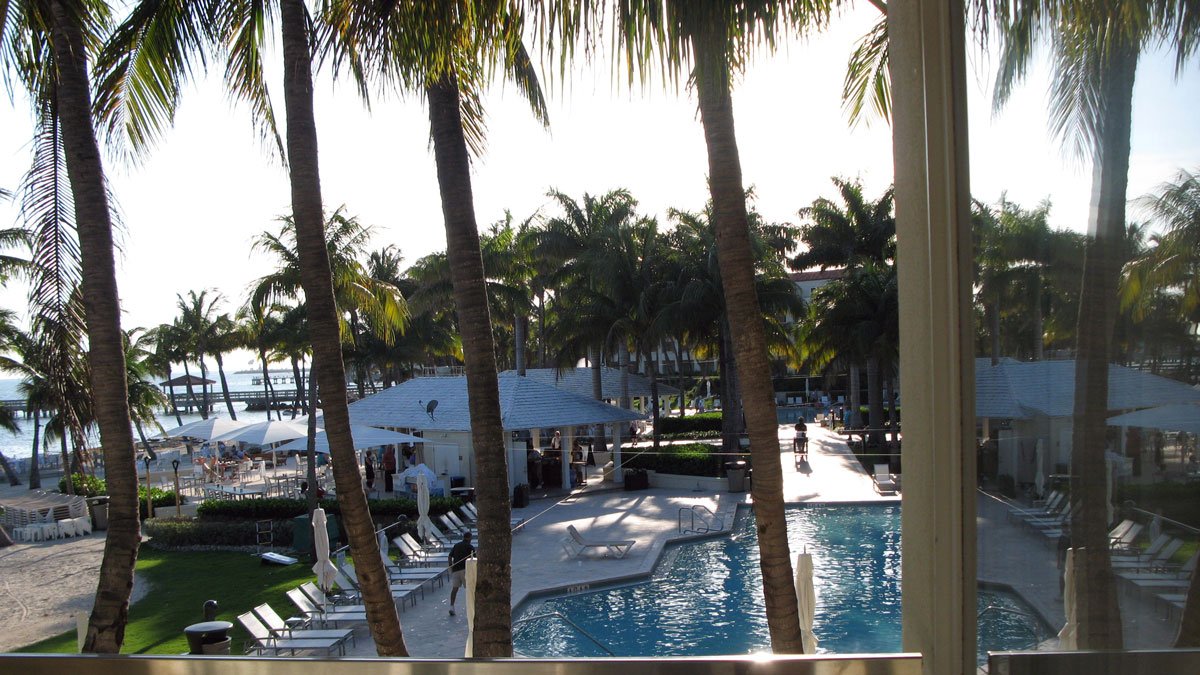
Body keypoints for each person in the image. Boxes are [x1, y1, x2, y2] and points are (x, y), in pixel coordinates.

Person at [447, 532, 475, 616]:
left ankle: (451, 607)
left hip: (455, 570)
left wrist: (451, 566)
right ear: (470, 538)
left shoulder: (456, 545)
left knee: (454, 589)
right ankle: (472, 606)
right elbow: (474, 560)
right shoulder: (470, 547)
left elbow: (449, 557)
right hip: (465, 570)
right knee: (470, 589)